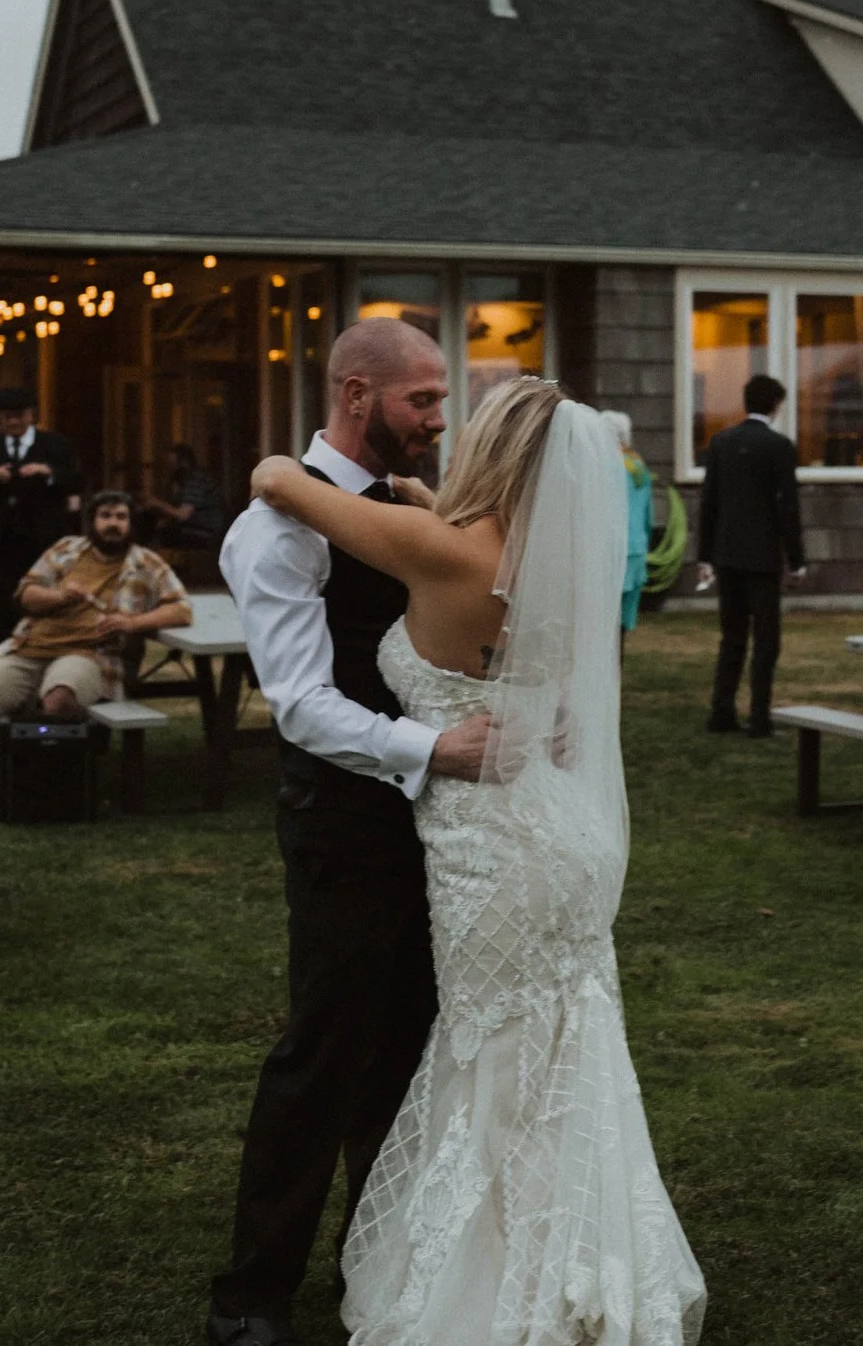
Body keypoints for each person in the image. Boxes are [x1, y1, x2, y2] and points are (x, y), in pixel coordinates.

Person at [244, 371, 707, 1346]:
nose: (443, 430)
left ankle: (501, 1282)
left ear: (494, 451)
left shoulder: (438, 549)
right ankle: (587, 1247)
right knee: (565, 1051)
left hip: (493, 846)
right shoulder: (548, 562)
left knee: (490, 1053)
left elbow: (281, 482)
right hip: (559, 833)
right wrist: (424, 498)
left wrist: (286, 465)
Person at [204, 319, 497, 1346]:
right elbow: (299, 703)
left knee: (408, 1055)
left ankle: (374, 1272)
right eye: (422, 399)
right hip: (343, 819)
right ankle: (250, 1294)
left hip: (439, 826)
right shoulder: (277, 528)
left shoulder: (410, 504)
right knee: (322, 1051)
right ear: (357, 392)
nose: (438, 415)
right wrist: (432, 749)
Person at [0, 490, 191, 798]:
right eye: (105, 516)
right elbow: (25, 593)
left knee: (59, 701)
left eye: (121, 517)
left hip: (91, 654)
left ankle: (39, 778)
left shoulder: (146, 563)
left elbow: (181, 608)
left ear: (131, 524)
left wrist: (133, 623)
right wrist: (59, 596)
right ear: (91, 522)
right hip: (31, 646)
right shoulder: (65, 550)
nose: (113, 524)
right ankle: (8, 769)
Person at [697, 372, 805, 736]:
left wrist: (705, 555)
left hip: (727, 554)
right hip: (762, 558)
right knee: (765, 640)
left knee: (732, 637)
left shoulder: (721, 443)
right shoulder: (780, 447)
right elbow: (787, 508)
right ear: (775, 405)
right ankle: (760, 716)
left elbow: (708, 503)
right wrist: (797, 559)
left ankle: (721, 712)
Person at [0, 385, 82, 642]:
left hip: (44, 538)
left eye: (20, 416)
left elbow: (76, 480)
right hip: (3, 540)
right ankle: (6, 649)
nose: (14, 422)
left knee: (46, 594)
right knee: (5, 600)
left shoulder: (55, 445)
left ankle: (45, 644)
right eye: (8, 417)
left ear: (31, 415)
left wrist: (47, 472)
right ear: (0, 418)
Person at [601, 408, 654, 633]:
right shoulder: (638, 466)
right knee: (623, 623)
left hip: (608, 550)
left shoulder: (602, 466)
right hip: (636, 549)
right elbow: (647, 514)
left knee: (604, 623)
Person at [140, 442, 226, 551]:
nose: (170, 469)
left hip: (205, 533)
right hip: (194, 530)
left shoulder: (196, 480)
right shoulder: (183, 484)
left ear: (184, 463)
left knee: (162, 536)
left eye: (172, 464)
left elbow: (183, 515)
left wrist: (156, 503)